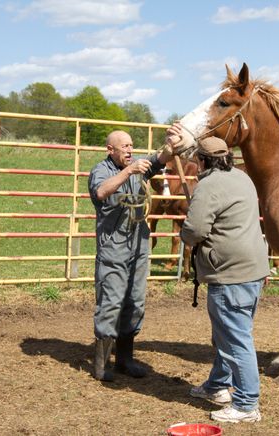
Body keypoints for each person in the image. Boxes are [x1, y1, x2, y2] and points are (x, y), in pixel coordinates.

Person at [180, 137, 270, 424]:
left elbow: (194, 231)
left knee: (234, 337)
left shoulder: (209, 185)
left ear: (204, 160)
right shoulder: (241, 178)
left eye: (197, 160)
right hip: (253, 269)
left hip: (230, 274)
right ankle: (218, 385)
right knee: (227, 333)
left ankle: (246, 404)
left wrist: (186, 228)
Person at [88, 123, 185, 381]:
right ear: (110, 150)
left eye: (131, 146)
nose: (130, 151)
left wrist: (171, 143)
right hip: (114, 247)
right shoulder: (102, 170)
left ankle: (124, 359)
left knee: (135, 301)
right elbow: (101, 191)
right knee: (111, 301)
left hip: (138, 244)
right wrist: (129, 170)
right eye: (124, 147)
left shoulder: (139, 168)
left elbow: (160, 158)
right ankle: (100, 365)